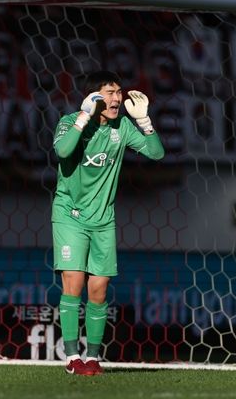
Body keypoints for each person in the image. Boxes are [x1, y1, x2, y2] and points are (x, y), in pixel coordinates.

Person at [51, 70, 165, 375]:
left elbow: (156, 153)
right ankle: (72, 358)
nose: (118, 98)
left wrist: (144, 122)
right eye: (110, 92)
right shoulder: (69, 122)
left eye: (119, 92)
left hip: (103, 219)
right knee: (73, 283)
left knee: (99, 290)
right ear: (93, 97)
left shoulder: (122, 127)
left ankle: (93, 357)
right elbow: (62, 151)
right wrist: (82, 119)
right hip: (70, 215)